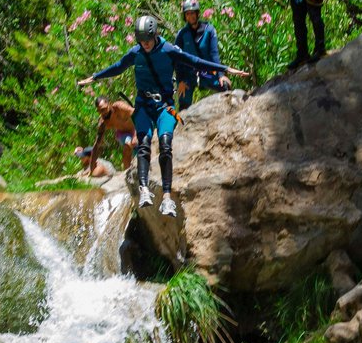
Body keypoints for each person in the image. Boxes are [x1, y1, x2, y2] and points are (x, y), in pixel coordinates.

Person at [77, 15, 248, 218]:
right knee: (144, 143)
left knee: (166, 145)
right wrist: (94, 77)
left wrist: (224, 69)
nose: (145, 44)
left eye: (148, 40)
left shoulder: (168, 50)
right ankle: (144, 190)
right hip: (143, 105)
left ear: (155, 34)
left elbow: (195, 61)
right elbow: (118, 67)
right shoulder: (136, 52)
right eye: (141, 41)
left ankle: (167, 198)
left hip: (165, 106)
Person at [174, 0, 231, 109]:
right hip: (189, 75)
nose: (191, 16)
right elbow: (177, 60)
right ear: (185, 16)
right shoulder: (182, 34)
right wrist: (180, 81)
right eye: (188, 14)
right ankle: (182, 124)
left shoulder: (209, 30)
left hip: (207, 73)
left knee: (225, 87)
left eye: (193, 13)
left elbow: (214, 53)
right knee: (183, 97)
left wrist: (221, 75)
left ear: (197, 13)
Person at [85, 95, 137, 174]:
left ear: (109, 104)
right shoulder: (103, 122)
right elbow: (97, 145)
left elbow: (138, 115)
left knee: (138, 147)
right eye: (99, 111)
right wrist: (91, 169)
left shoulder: (119, 107)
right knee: (128, 145)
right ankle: (128, 173)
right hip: (122, 134)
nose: (103, 113)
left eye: (104, 109)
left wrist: (135, 135)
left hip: (136, 128)